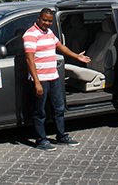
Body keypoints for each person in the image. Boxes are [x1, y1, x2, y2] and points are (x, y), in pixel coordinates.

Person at [22, 8, 91, 151]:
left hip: (53, 77)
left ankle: (61, 136)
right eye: (44, 20)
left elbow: (60, 47)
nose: (47, 23)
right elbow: (29, 60)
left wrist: (76, 56)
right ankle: (41, 140)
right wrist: (36, 82)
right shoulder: (30, 34)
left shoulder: (50, 33)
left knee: (58, 108)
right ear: (38, 18)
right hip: (40, 79)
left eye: (49, 21)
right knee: (39, 111)